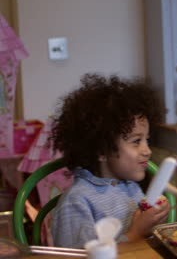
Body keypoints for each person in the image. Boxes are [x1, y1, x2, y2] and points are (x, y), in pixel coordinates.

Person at [50, 74, 170, 248]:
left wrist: (152, 220)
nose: (148, 151)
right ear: (102, 149)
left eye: (147, 140)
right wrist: (135, 233)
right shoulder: (77, 202)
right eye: (136, 141)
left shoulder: (130, 187)